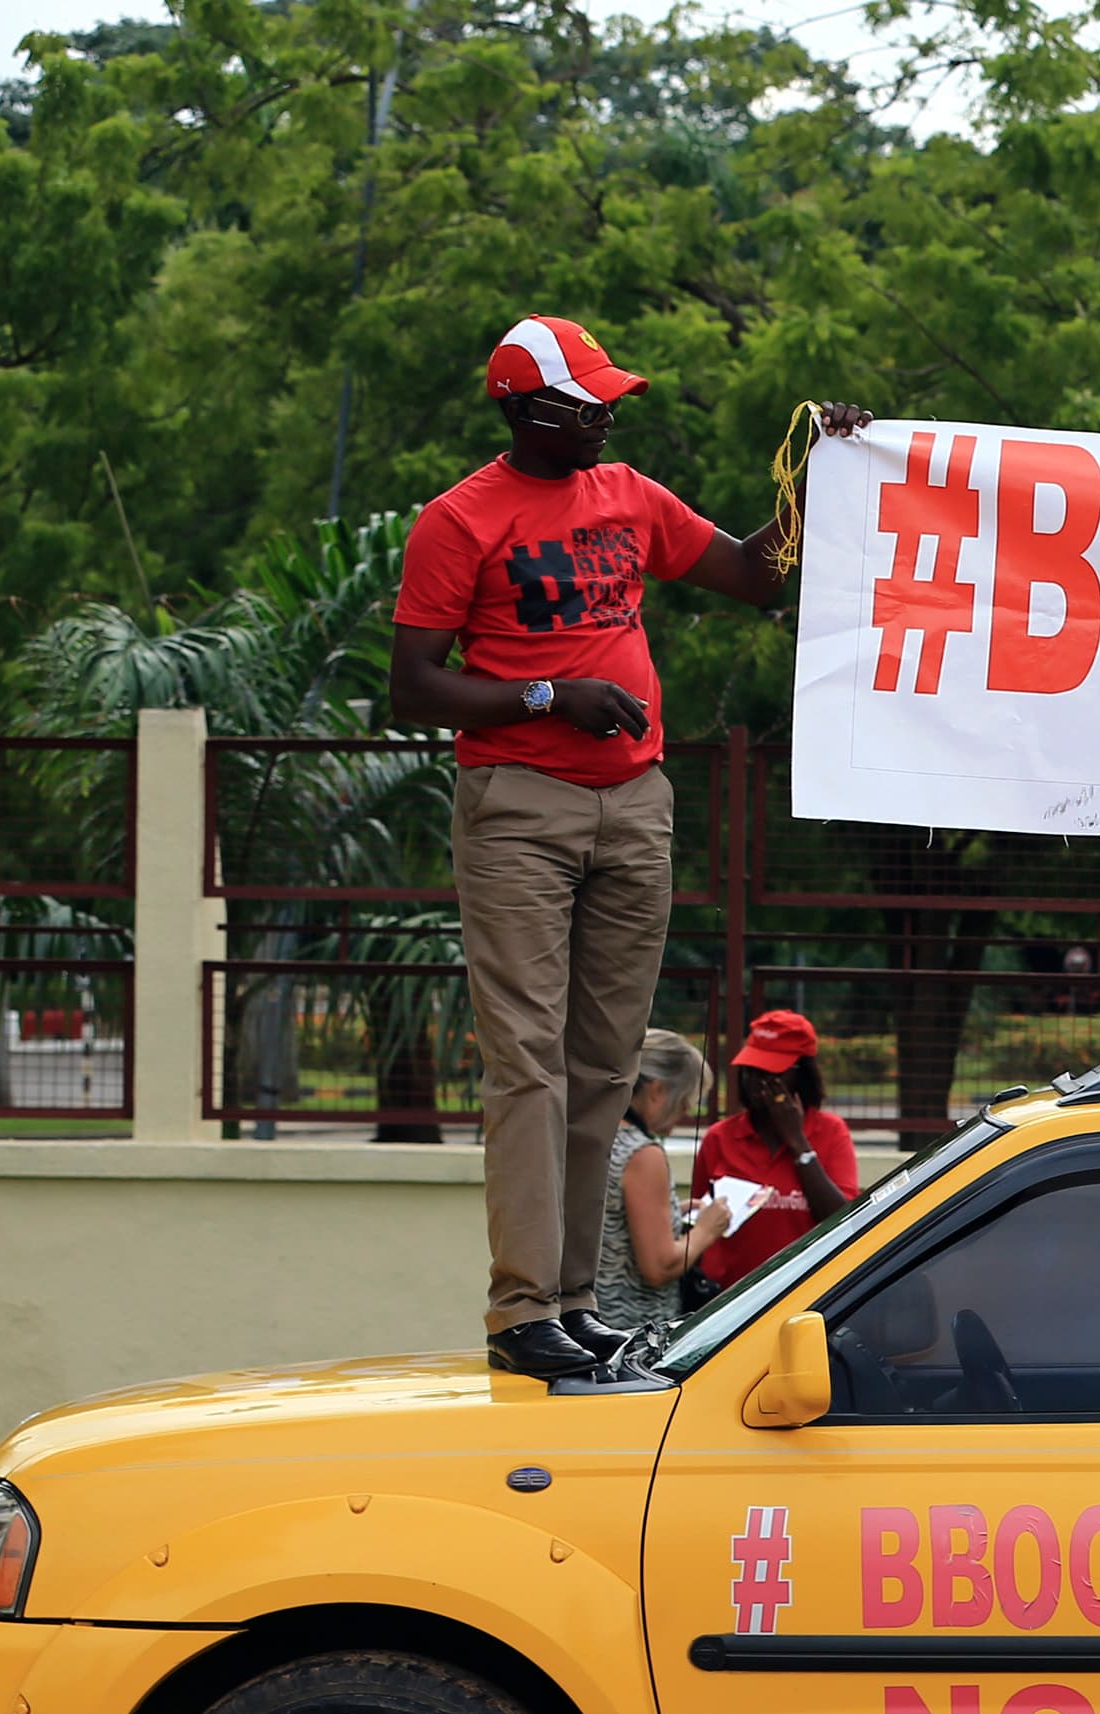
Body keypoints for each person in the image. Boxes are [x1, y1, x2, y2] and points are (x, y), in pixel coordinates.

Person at [389, 312, 867, 1378]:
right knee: (527, 1067)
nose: (606, 413)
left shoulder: (628, 493)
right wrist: (551, 695)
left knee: (600, 1068)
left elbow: (753, 576)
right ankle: (522, 1314)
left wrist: (814, 483)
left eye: (608, 397)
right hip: (518, 803)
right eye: (584, 401)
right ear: (523, 407)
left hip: (634, 804)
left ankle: (570, 1300)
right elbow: (414, 682)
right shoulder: (459, 520)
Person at [691, 1009, 861, 1292]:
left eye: (770, 1072)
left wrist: (798, 1143)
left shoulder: (830, 1132)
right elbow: (697, 1225)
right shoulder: (720, 1138)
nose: (756, 1081)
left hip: (806, 1294)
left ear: (802, 1075)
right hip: (727, 1301)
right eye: (750, 1069)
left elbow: (842, 1219)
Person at [596, 1027, 729, 1340]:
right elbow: (659, 1266)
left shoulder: (598, 1136)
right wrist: (707, 1229)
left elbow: (611, 1221)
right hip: (631, 1333)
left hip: (594, 1321)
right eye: (683, 1103)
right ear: (656, 1090)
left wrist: (669, 1212)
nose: (682, 1116)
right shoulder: (643, 1154)